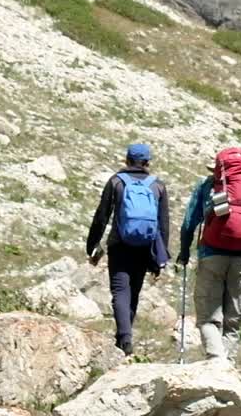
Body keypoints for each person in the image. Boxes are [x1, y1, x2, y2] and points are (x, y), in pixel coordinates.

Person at [177, 146, 241, 361]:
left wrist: (184, 252)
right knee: (234, 316)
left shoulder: (208, 186)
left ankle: (216, 358)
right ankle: (227, 361)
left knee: (208, 314)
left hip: (211, 253)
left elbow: (190, 222)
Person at [86, 143, 170, 356]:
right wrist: (161, 256)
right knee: (134, 291)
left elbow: (101, 216)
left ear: (126, 160)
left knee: (120, 290)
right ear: (147, 162)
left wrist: (93, 244)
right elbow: (163, 224)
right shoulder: (157, 186)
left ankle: (124, 338)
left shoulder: (116, 182)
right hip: (145, 246)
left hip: (119, 244)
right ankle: (124, 338)